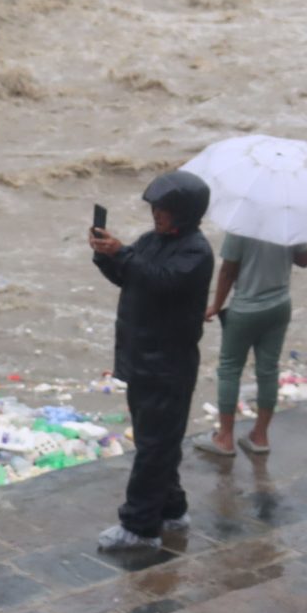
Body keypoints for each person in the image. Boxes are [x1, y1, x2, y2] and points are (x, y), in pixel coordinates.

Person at [88, 171, 215, 552]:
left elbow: (162, 281)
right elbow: (131, 277)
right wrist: (105, 255)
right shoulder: (151, 242)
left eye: (164, 209)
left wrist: (123, 252)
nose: (157, 214)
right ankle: (172, 508)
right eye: (155, 208)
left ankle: (140, 527)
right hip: (141, 358)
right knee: (157, 441)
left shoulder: (196, 252)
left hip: (167, 365)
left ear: (185, 212)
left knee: (154, 446)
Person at [195, 234, 307, 457]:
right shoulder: (289, 220)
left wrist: (215, 306)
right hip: (280, 305)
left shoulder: (241, 226)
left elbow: (228, 271)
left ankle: (225, 438)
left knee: (229, 369)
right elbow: (304, 260)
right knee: (268, 370)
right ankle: (260, 436)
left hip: (245, 309)